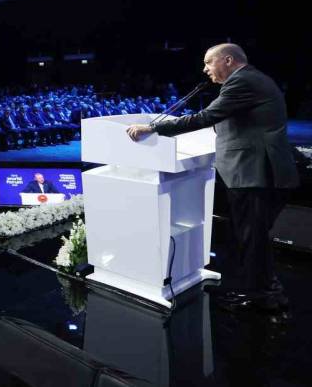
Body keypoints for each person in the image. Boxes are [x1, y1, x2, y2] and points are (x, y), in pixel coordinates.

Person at [127, 43, 298, 313]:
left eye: (209, 62)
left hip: (255, 173)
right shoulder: (251, 80)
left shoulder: (242, 81)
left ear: (228, 60)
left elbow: (206, 117)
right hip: (256, 172)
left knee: (252, 238)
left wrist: (153, 128)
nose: (204, 69)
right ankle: (266, 292)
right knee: (254, 237)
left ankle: (262, 297)